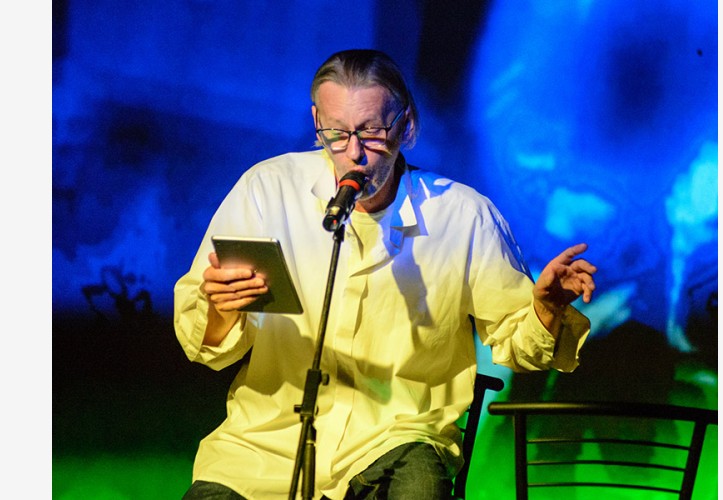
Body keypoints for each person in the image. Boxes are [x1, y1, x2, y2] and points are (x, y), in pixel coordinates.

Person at [173, 48, 597, 500]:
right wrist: (221, 308)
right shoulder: (267, 191)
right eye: (337, 133)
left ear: (407, 125)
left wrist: (545, 308)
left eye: (372, 131)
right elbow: (205, 347)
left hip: (398, 437)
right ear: (317, 122)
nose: (354, 152)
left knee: (419, 487)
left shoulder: (462, 216)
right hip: (268, 444)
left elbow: (518, 345)